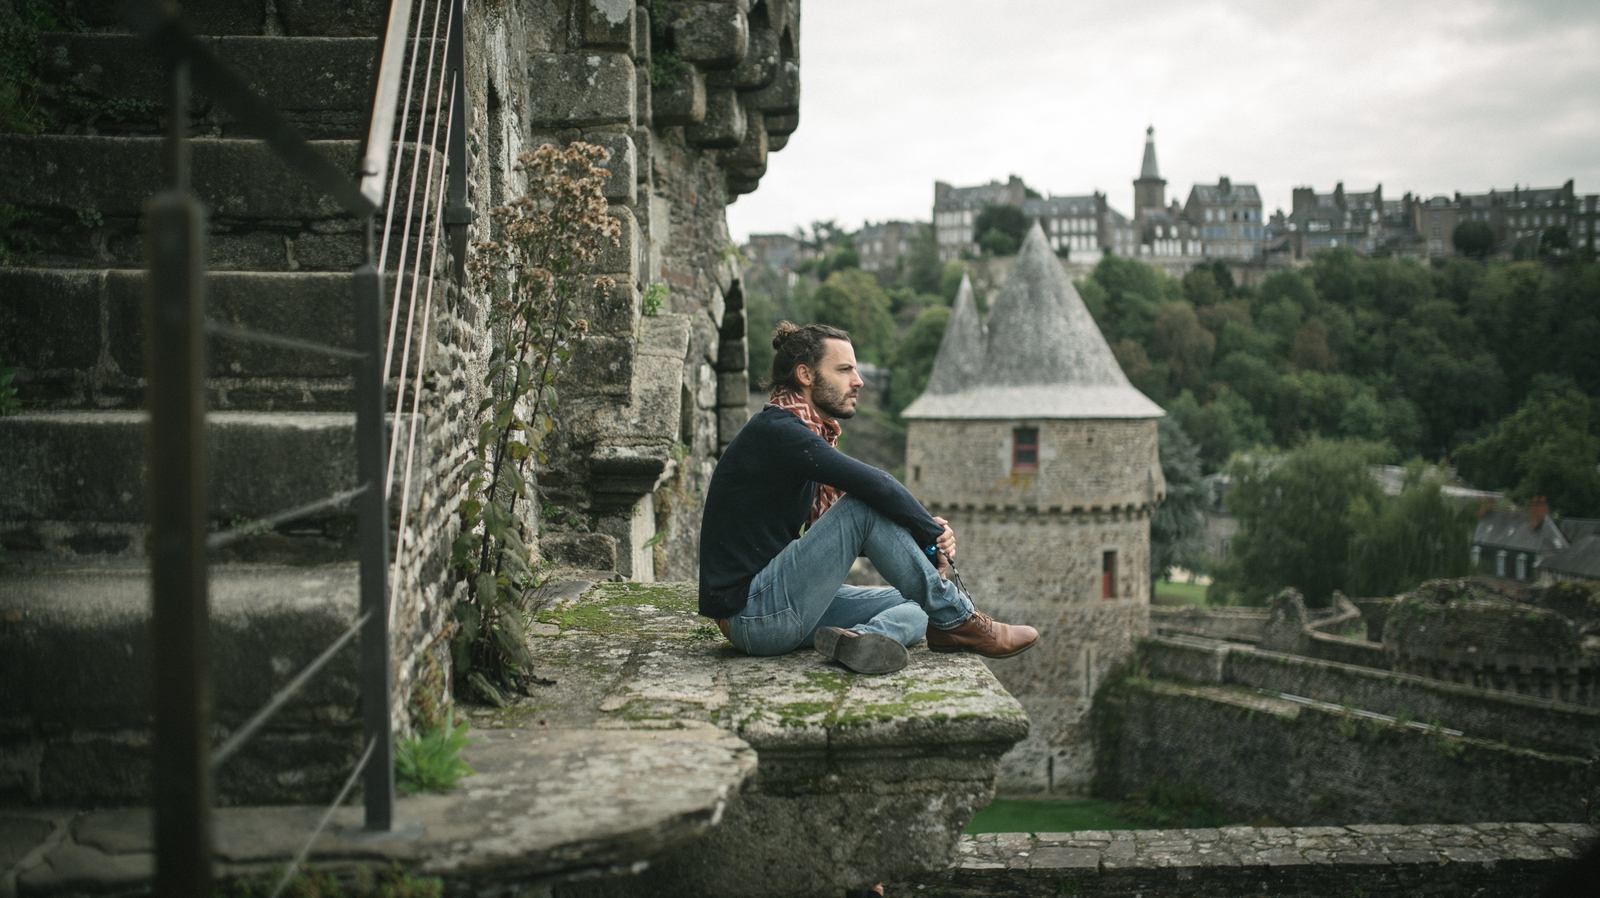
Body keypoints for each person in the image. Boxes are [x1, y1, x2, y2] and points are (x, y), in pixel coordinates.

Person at [698, 321, 1039, 675]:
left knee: (921, 604)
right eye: (844, 370)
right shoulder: (778, 432)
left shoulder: (799, 433)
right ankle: (964, 622)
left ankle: (860, 640)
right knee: (862, 505)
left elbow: (853, 538)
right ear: (805, 375)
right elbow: (874, 486)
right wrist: (928, 531)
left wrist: (923, 543)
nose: (858, 381)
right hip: (753, 615)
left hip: (777, 605)